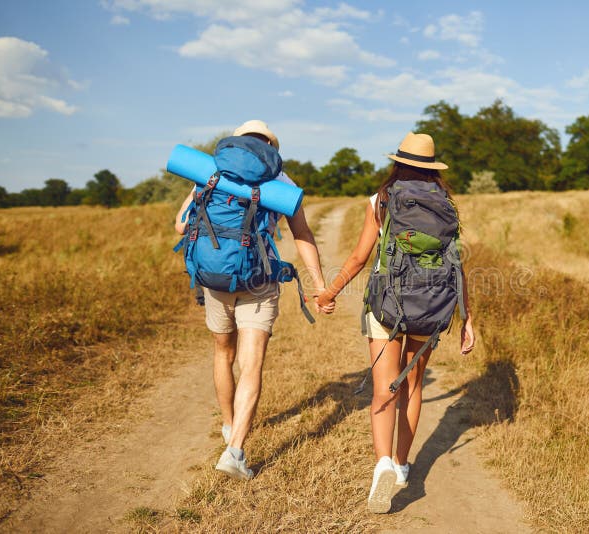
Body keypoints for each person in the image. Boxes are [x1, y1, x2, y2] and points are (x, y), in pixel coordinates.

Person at [316, 132, 475, 513]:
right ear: (433, 168)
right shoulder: (446, 206)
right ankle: (403, 466)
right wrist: (468, 318)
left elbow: (358, 258)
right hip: (432, 304)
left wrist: (329, 292)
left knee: (385, 388)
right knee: (413, 386)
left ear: (398, 163)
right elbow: (457, 266)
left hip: (386, 304)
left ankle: (382, 462)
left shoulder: (382, 200)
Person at [174, 119, 334, 480]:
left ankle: (230, 425)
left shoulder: (210, 172)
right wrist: (320, 284)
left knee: (222, 353)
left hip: (214, 279)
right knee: (252, 363)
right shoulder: (281, 181)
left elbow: (181, 226)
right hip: (259, 280)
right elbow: (303, 233)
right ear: (270, 148)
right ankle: (234, 452)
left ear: (236, 143)